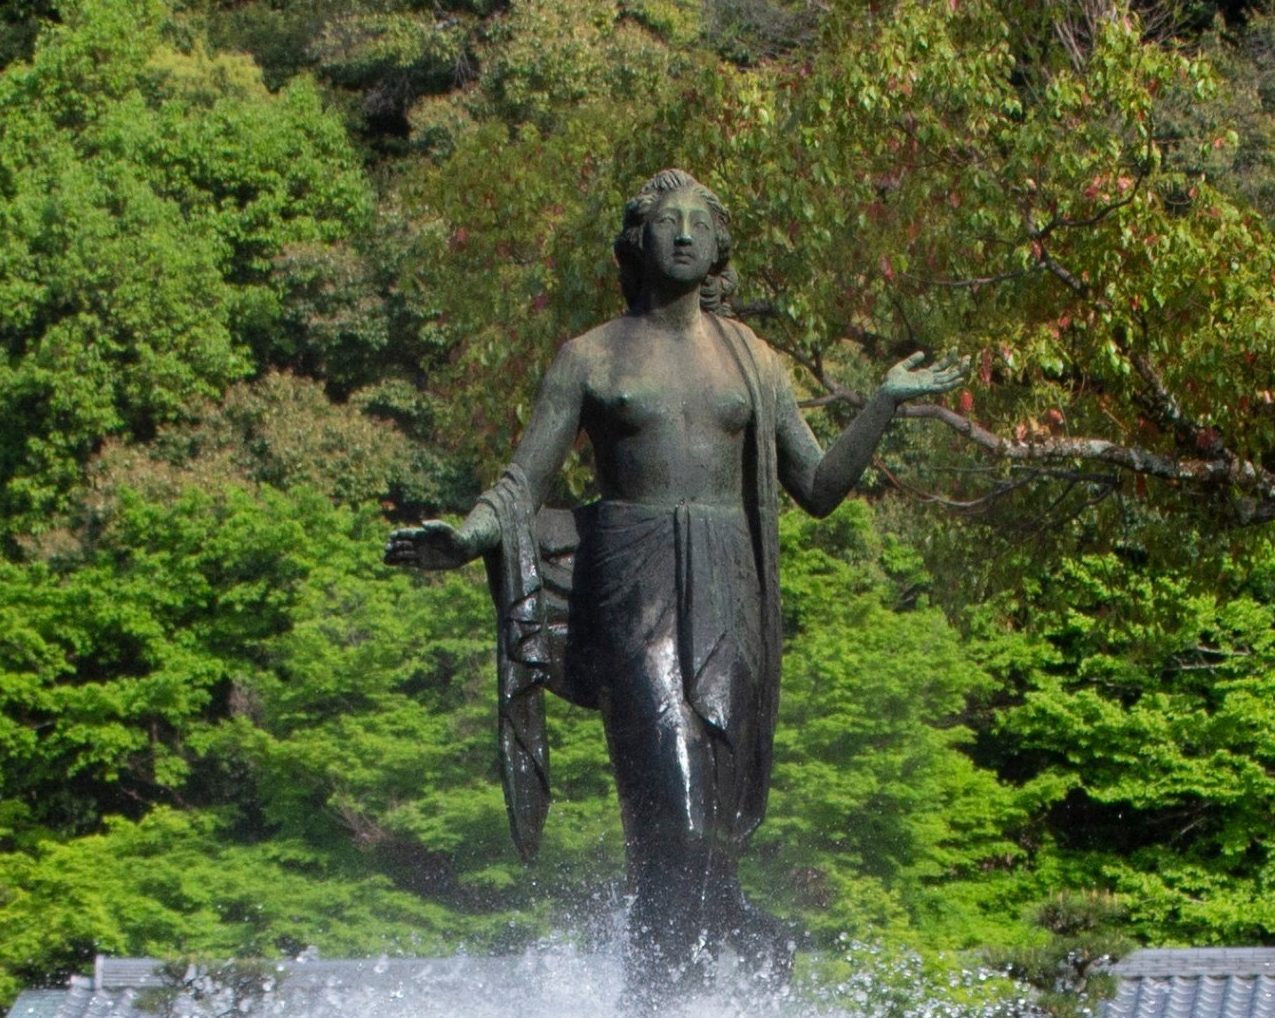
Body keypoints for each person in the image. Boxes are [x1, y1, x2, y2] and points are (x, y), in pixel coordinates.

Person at [389, 170, 969, 976]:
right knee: (678, 815)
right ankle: (676, 994)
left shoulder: (753, 360)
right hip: (634, 586)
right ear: (640, 240)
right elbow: (524, 483)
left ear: (720, 245)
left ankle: (689, 983)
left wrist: (882, 403)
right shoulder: (590, 356)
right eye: (669, 220)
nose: (685, 233)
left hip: (731, 588)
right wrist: (467, 537)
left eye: (700, 221)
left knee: (715, 833)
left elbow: (818, 487)